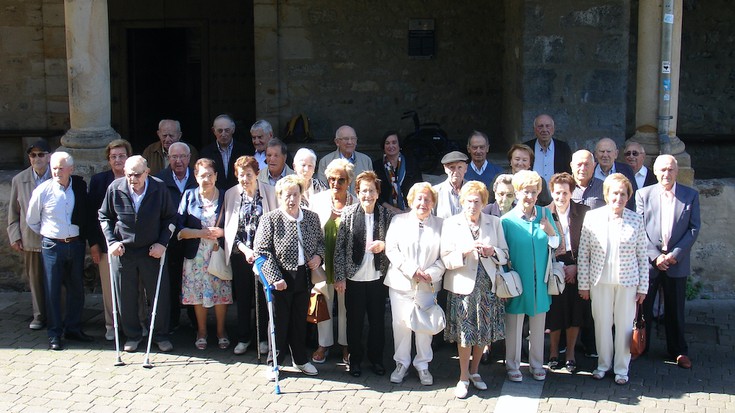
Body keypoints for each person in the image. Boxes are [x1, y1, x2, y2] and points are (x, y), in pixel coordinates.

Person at [99, 155, 177, 353]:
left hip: (152, 250)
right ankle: (132, 335)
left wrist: (162, 243)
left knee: (159, 295)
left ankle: (160, 335)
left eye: (137, 174)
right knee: (125, 296)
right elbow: (104, 216)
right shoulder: (115, 188)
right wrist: (112, 241)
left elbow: (170, 217)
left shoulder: (159, 188)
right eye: (129, 175)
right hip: (124, 251)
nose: (133, 179)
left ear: (147, 172)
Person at [577, 173, 648, 385]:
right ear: (607, 195)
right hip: (599, 282)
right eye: (614, 193)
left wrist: (643, 287)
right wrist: (584, 284)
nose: (618, 198)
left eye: (623, 194)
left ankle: (621, 369)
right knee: (602, 324)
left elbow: (642, 256)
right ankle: (603, 365)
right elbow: (584, 253)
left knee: (625, 326)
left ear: (628, 197)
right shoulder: (592, 217)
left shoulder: (636, 219)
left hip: (627, 283)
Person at [441, 181, 508, 399]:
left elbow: (505, 254)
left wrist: (492, 251)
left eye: (477, 201)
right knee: (465, 334)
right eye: (469, 201)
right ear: (462, 202)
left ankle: (475, 372)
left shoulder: (494, 222)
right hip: (463, 288)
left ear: (484, 202)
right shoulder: (451, 224)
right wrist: (464, 251)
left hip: (487, 287)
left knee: (482, 333)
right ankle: (462, 377)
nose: (473, 205)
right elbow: (446, 258)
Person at [254, 174, 325, 379]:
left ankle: (300, 359)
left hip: (303, 275)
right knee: (278, 321)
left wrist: (318, 257)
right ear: (279, 196)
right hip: (280, 278)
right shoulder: (270, 219)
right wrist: (275, 277)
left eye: (295, 194)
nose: (291, 199)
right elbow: (262, 251)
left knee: (299, 320)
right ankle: (274, 361)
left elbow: (320, 242)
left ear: (301, 195)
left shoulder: (311, 217)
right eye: (287, 195)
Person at [636, 155, 700, 369]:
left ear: (677, 171)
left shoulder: (690, 195)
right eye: (662, 169)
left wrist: (675, 255)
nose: (666, 174)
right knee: (643, 308)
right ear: (655, 171)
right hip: (650, 262)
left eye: (671, 169)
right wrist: (655, 256)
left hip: (676, 262)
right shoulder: (643, 194)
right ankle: (641, 346)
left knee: (675, 309)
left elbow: (693, 228)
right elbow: (639, 228)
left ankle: (678, 350)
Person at [26, 151, 93, 350]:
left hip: (75, 243)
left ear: (70, 169)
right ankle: (54, 333)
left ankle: (73, 327)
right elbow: (32, 220)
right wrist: (49, 234)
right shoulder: (43, 190)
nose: (56, 171)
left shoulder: (79, 187)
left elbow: (86, 212)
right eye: (54, 168)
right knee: (52, 290)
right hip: (52, 246)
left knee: (76, 289)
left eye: (61, 168)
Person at [384, 182, 446, 386]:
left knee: (424, 326)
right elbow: (391, 250)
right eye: (419, 198)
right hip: (401, 282)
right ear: (411, 200)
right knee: (400, 324)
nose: (423, 202)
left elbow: (444, 255)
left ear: (433, 203)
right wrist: (411, 270)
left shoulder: (441, 224)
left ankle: (423, 365)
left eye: (428, 199)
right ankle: (401, 363)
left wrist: (431, 273)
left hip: (428, 285)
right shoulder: (398, 221)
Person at [333, 171, 394, 377]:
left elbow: (397, 242)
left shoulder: (386, 215)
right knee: (355, 322)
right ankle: (355, 360)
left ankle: (376, 359)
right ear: (357, 193)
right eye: (363, 191)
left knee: (377, 321)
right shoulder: (349, 214)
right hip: (354, 279)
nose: (367, 195)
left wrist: (384, 245)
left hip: (378, 278)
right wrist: (339, 276)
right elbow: (340, 248)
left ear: (378, 193)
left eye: (371, 190)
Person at [501, 170, 559, 382]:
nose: (530, 196)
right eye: (526, 191)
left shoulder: (545, 214)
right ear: (517, 192)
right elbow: (503, 253)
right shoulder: (507, 221)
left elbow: (556, 244)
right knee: (514, 326)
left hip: (540, 282)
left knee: (538, 326)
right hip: (516, 281)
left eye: (534, 192)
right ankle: (513, 365)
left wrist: (550, 232)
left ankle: (536, 364)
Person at [223, 155, 277, 355]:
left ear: (257, 174)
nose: (244, 179)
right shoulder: (231, 194)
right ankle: (243, 338)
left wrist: (261, 251)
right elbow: (230, 228)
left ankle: (262, 338)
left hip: (265, 256)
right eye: (240, 175)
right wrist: (245, 250)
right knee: (244, 298)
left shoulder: (270, 192)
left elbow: (275, 224)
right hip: (241, 254)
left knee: (263, 298)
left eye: (248, 174)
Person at [176, 158, 230, 350]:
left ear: (215, 176)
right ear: (195, 177)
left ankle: (221, 330)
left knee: (220, 293)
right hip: (196, 254)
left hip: (218, 252)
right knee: (197, 294)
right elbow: (179, 227)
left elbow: (233, 224)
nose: (206, 179)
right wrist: (200, 233)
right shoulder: (189, 196)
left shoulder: (225, 196)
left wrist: (221, 233)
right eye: (201, 175)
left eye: (209, 175)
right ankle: (201, 331)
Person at [308, 159, 356, 365]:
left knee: (347, 306)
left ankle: (346, 344)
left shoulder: (356, 203)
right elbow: (310, 231)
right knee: (323, 304)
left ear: (349, 181)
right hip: (322, 262)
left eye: (341, 180)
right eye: (332, 179)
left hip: (346, 265)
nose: (336, 183)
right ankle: (324, 344)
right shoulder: (317, 200)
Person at [545, 172, 590, 373]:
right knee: (555, 311)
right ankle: (554, 352)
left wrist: (577, 267)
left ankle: (570, 353)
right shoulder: (544, 213)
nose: (560, 197)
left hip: (576, 265)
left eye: (565, 193)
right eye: (557, 193)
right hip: (553, 266)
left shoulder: (584, 212)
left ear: (571, 193)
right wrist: (557, 267)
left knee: (575, 311)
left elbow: (590, 244)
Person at [88, 139, 134, 340]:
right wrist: (94, 245)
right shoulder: (99, 181)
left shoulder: (136, 178)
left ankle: (137, 322)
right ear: (108, 159)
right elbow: (91, 215)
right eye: (113, 156)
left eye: (122, 155)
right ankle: (111, 324)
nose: (118, 160)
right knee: (109, 287)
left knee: (135, 288)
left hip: (133, 244)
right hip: (107, 243)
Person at [8, 140, 51, 330]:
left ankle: (60, 315)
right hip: (31, 238)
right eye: (33, 155)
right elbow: (13, 211)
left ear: (48, 156)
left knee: (59, 278)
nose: (37, 158)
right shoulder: (19, 179)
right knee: (35, 279)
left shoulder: (58, 175)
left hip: (55, 237)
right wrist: (15, 235)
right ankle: (39, 315)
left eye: (41, 154)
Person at [155, 142, 199, 331]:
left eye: (182, 157)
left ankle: (196, 321)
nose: (178, 161)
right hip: (169, 241)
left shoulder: (198, 179)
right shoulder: (159, 180)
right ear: (168, 159)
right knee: (170, 282)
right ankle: (171, 321)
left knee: (193, 281)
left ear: (189, 158)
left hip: (194, 240)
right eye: (174, 157)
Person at [372, 131, 422, 213]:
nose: (391, 146)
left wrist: (410, 209)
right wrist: (392, 209)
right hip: (385, 211)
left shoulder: (411, 163)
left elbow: (419, 187)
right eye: (387, 143)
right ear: (383, 146)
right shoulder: (376, 166)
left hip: (410, 210)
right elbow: (375, 192)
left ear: (399, 145)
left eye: (394, 142)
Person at [199, 114, 250, 190]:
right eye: (220, 131)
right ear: (214, 131)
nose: (223, 134)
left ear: (233, 130)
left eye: (227, 130)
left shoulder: (245, 151)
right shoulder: (206, 153)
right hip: (215, 196)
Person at [317, 125, 372, 192]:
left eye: (353, 138)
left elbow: (370, 186)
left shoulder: (366, 160)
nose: (350, 142)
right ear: (337, 142)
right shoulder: (326, 161)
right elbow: (322, 189)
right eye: (346, 139)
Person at [523, 114, 573, 183]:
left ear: (553, 129)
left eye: (548, 126)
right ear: (534, 129)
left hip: (557, 192)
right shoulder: (526, 148)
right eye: (540, 126)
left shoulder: (563, 148)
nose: (544, 130)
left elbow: (568, 174)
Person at [593, 138, 638, 208]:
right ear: (595, 154)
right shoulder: (590, 171)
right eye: (602, 151)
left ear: (616, 154)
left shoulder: (626, 170)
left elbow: (632, 197)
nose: (605, 155)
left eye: (608, 151)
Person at [464, 131, 504, 196]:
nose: (478, 151)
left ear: (487, 148)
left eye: (482, 147)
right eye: (475, 147)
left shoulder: (499, 173)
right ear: (468, 149)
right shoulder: (462, 173)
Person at [433, 151, 468, 219]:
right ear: (445, 168)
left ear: (466, 168)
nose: (456, 171)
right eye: (452, 167)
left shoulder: (474, 190)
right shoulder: (435, 192)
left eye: (460, 167)